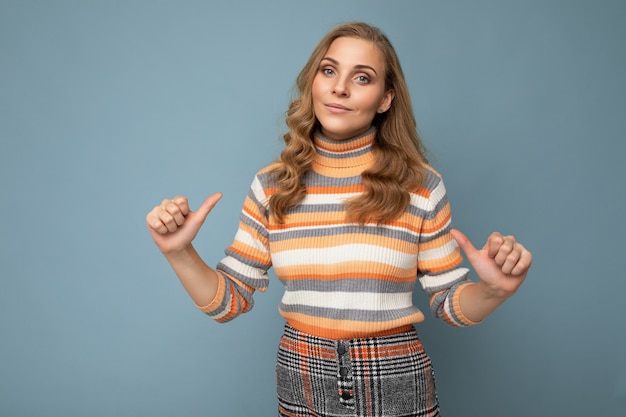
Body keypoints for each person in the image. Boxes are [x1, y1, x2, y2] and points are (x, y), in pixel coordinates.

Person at [146, 22, 532, 417]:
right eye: (329, 71)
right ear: (313, 82)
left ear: (385, 99)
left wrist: (494, 290)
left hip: (395, 379)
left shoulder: (419, 186)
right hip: (300, 380)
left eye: (361, 77)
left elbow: (451, 303)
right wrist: (179, 252)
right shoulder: (273, 185)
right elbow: (227, 301)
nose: (339, 88)